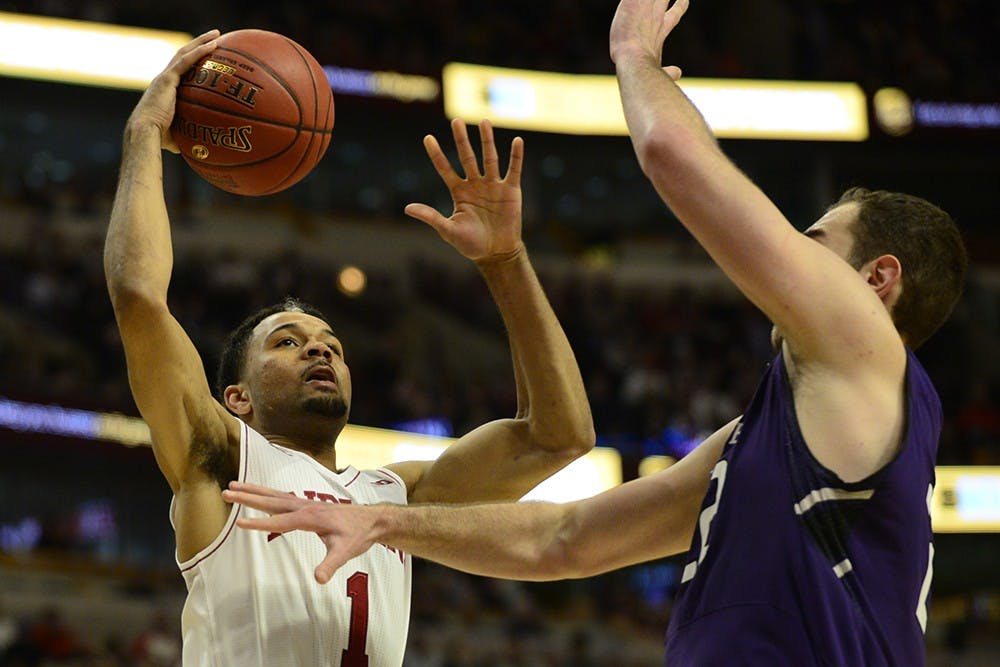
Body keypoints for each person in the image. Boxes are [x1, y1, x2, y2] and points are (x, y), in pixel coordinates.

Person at [221, 1, 969, 666]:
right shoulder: (770, 435)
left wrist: (635, 56)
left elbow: (672, 153)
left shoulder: (867, 343)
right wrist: (382, 521)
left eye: (814, 240)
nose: (792, 253)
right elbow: (565, 540)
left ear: (877, 281)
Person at [103, 30, 594, 667]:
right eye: (288, 342)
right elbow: (139, 298)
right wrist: (144, 132)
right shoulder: (221, 459)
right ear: (237, 397)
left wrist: (506, 261)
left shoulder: (396, 499)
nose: (320, 352)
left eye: (332, 345)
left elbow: (560, 437)